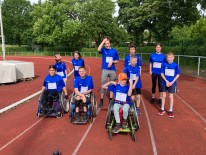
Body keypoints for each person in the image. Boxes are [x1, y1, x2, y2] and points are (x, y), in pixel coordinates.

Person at [98, 37, 119, 107]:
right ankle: (101, 99)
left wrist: (112, 62)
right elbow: (98, 49)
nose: (106, 45)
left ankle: (110, 99)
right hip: (105, 69)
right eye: (105, 44)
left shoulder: (114, 51)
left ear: (110, 44)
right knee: (103, 83)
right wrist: (103, 41)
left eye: (108, 43)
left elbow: (117, 61)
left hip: (112, 69)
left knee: (112, 84)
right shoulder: (103, 50)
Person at [157, 52, 180, 118]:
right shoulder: (164, 64)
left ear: (173, 58)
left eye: (170, 57)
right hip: (164, 82)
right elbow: (162, 74)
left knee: (170, 96)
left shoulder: (175, 65)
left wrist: (172, 82)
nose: (169, 59)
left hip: (172, 83)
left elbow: (178, 74)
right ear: (166, 58)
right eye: (168, 57)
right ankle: (162, 109)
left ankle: (170, 110)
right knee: (163, 96)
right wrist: (166, 81)